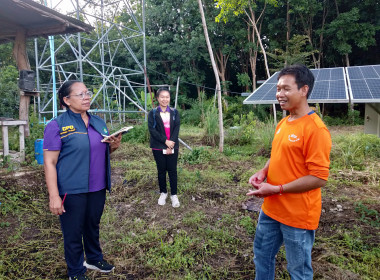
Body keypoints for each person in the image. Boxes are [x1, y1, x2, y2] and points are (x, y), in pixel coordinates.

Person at [247, 64, 332, 280]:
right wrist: (263, 172)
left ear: (304, 90)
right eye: (278, 89)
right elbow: (278, 154)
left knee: (299, 271)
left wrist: (277, 188)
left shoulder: (316, 129)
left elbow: (319, 177)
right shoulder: (284, 122)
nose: (279, 94)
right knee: (262, 257)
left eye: (286, 89)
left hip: (298, 216)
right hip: (272, 209)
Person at [43, 80, 122, 280]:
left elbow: (100, 152)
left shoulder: (98, 122)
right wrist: (54, 195)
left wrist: (113, 146)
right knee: (73, 231)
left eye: (87, 93)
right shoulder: (56, 126)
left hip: (97, 185)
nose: (86, 97)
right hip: (72, 188)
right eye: (81, 94)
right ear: (67, 100)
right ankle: (76, 271)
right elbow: (50, 162)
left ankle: (94, 259)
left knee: (92, 224)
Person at [148, 87, 181, 208]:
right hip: (158, 146)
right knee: (161, 170)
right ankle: (163, 192)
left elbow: (176, 128)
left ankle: (174, 195)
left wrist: (171, 142)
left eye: (167, 97)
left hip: (173, 145)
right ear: (157, 98)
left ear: (169, 98)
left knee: (172, 171)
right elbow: (152, 130)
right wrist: (165, 142)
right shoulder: (152, 113)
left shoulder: (175, 112)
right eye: (162, 97)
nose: (164, 99)